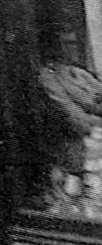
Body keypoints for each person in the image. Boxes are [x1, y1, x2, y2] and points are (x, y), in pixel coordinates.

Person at [38, 31, 102, 172]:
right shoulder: (48, 77)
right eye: (65, 44)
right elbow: (71, 112)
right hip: (84, 135)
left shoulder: (75, 71)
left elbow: (99, 90)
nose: (69, 48)